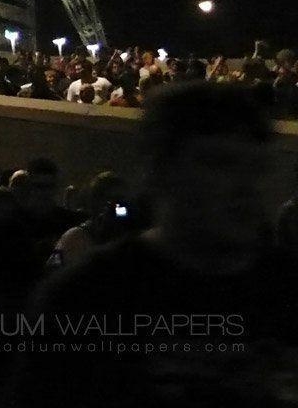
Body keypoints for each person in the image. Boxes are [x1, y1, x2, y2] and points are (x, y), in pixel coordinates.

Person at [18, 82, 298, 408]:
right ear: (159, 171)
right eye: (219, 163)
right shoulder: (85, 299)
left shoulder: (286, 289)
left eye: (256, 167)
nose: (245, 186)